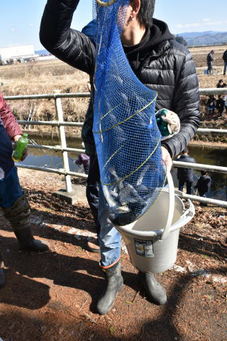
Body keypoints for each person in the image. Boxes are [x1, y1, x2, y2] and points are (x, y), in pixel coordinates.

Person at [40, 0, 200, 314]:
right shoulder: (99, 48)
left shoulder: (176, 56)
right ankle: (112, 276)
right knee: (107, 223)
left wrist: (169, 148)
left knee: (148, 226)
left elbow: (191, 117)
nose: (98, 7)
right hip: (107, 163)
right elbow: (53, 37)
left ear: (134, 5)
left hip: (149, 168)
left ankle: (146, 271)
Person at [0, 94, 49, 288]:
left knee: (16, 203)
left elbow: (4, 112)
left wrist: (16, 135)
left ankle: (26, 240)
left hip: (3, 159)